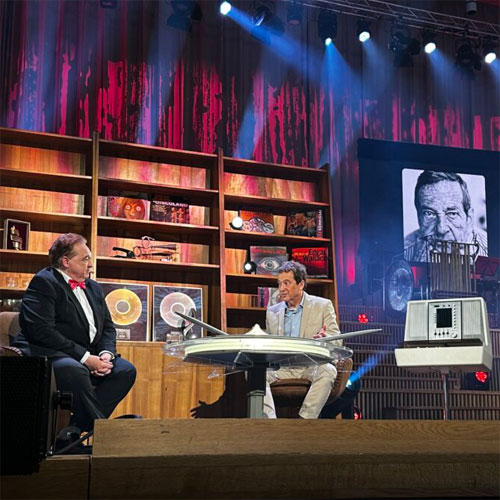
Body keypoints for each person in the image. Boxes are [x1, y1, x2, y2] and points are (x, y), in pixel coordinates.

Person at [14, 233, 137, 440]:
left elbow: (107, 327)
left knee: (125, 370)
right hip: (49, 351)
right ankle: (106, 433)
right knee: (74, 370)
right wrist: (86, 358)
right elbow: (42, 331)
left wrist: (106, 354)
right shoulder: (44, 282)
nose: (91, 265)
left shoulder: (94, 287)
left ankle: (73, 430)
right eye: (85, 259)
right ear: (66, 261)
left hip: (87, 353)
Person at [263, 261, 341, 419]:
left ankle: (305, 421)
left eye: (286, 283)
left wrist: (324, 338)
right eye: (279, 283)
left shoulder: (323, 305)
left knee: (328, 370)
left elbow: (337, 341)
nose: (281, 288)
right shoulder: (272, 312)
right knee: (255, 372)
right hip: (282, 367)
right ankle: (270, 422)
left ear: (301, 284)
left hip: (310, 366)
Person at [404, 171, 488, 262]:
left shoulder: (489, 248)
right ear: (418, 216)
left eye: (452, 214)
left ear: (469, 218)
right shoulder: (403, 250)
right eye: (429, 213)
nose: (441, 229)